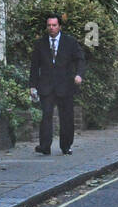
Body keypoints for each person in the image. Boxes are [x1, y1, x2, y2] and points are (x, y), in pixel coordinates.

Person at [29, 13, 86, 155]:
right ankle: (44, 146)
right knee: (46, 115)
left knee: (66, 117)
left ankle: (66, 146)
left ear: (59, 26)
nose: (51, 28)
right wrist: (32, 85)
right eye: (49, 25)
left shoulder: (70, 42)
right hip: (46, 85)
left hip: (65, 85)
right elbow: (34, 66)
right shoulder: (40, 43)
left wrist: (79, 74)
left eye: (54, 25)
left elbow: (80, 59)